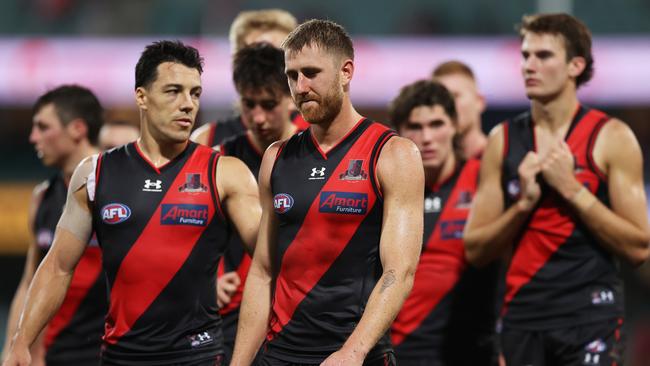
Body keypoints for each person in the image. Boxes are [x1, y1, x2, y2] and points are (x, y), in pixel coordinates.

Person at [3, 40, 262, 366]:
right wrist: (20, 342)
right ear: (141, 96)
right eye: (173, 91)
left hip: (197, 356)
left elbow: (272, 266)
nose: (187, 104)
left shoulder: (226, 173)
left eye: (194, 93)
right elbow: (57, 266)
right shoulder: (96, 173)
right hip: (120, 356)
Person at [230, 19, 424, 366]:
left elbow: (400, 271)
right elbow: (262, 272)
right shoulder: (277, 158)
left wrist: (353, 351)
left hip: (355, 354)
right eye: (291, 76)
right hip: (281, 354)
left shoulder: (393, 153)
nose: (300, 86)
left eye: (311, 72)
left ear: (346, 71)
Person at [464, 13, 650, 366]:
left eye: (544, 56)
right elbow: (475, 249)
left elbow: (639, 246)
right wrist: (522, 206)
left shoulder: (611, 138)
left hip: (590, 316)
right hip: (522, 316)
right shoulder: (502, 141)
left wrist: (573, 190)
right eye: (525, 55)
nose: (529, 66)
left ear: (575, 65)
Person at [388, 80, 499, 366]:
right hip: (399, 351)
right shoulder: (385, 188)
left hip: (470, 350)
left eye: (436, 124)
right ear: (400, 133)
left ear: (454, 126)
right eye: (415, 127)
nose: (427, 137)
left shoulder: (484, 179)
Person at [1, 85, 106, 366]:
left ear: (77, 129)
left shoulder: (118, 186)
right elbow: (29, 283)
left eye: (43, 127)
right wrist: (14, 347)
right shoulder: (42, 197)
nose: (33, 137)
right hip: (57, 354)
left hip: (113, 353)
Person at [215, 42, 300, 363]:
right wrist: (208, 279)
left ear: (290, 96)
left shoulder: (313, 152)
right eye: (249, 105)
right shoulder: (222, 158)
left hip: (298, 312)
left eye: (269, 104)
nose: (258, 117)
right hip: (233, 315)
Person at [190, 8, 306, 147]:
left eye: (276, 56)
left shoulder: (319, 136)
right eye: (254, 54)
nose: (264, 65)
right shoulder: (208, 140)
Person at [432, 60, 488, 158]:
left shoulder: (503, 161)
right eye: (440, 98)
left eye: (455, 96)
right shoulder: (426, 168)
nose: (447, 105)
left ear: (479, 101)